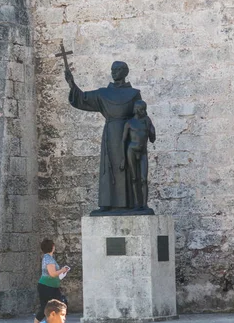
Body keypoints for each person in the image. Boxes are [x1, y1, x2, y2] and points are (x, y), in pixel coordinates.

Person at [65, 61, 142, 214]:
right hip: (110, 134)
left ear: (125, 72)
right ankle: (108, 203)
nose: (114, 72)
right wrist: (71, 83)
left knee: (128, 167)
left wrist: (140, 136)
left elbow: (140, 115)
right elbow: (83, 98)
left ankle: (132, 204)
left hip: (128, 135)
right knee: (109, 167)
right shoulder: (103, 93)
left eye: (117, 69)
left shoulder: (134, 94)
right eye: (112, 69)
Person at [120, 100, 156, 212]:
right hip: (131, 150)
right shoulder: (129, 123)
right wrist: (123, 159)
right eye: (141, 109)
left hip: (143, 152)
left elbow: (152, 139)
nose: (143, 111)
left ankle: (144, 204)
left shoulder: (146, 120)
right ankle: (136, 203)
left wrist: (152, 130)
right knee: (135, 178)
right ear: (136, 109)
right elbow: (123, 141)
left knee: (144, 179)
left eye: (144, 109)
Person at [34, 239, 69, 323]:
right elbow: (52, 274)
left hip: (52, 286)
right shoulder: (48, 258)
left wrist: (62, 272)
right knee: (45, 308)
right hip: (46, 286)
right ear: (52, 247)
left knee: (60, 306)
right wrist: (62, 270)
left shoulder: (49, 258)